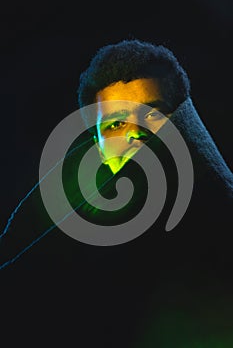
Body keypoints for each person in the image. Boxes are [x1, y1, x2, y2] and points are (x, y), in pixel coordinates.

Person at [1, 38, 233, 347]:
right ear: (97, 145)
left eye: (152, 114)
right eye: (115, 124)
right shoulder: (71, 273)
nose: (135, 132)